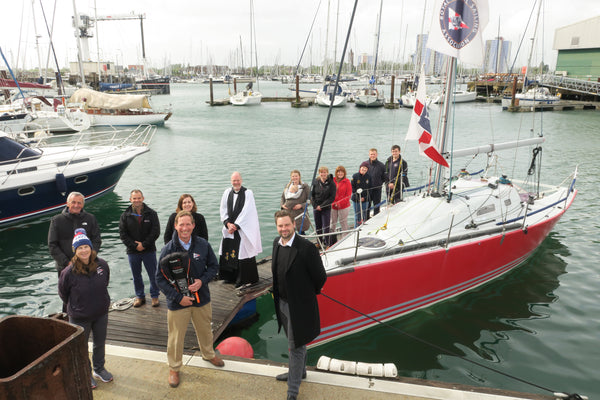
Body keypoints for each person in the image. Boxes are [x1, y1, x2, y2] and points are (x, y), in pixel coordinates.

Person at [156, 211, 224, 388]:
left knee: (205, 330)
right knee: (176, 337)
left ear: (193, 226)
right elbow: (160, 279)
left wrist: (203, 281)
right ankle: (174, 367)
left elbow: (214, 267)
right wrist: (178, 298)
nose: (185, 228)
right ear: (175, 226)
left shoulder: (203, 245)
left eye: (188, 224)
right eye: (181, 225)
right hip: (178, 303)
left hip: (202, 298)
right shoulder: (168, 249)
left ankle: (208, 354)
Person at [271, 210, 327, 400]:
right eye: (280, 226)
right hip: (283, 303)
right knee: (296, 341)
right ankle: (300, 372)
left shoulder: (306, 248)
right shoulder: (276, 244)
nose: (284, 229)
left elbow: (320, 277)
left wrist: (307, 294)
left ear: (293, 225)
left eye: (287, 225)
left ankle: (292, 391)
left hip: (299, 306)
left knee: (295, 347)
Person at [58, 228, 112, 390]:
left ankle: (99, 368)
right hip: (80, 316)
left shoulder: (102, 264)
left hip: (101, 313)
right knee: (81, 347)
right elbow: (63, 293)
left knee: (99, 343)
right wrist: (76, 306)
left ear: (91, 247)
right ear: (75, 251)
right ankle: (85, 372)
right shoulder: (68, 272)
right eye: (80, 248)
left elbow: (105, 282)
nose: (84, 250)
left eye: (86, 246)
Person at [219, 171, 262, 287]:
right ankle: (229, 276)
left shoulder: (248, 193)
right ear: (231, 181)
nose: (236, 182)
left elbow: (248, 212)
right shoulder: (227, 192)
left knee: (243, 252)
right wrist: (227, 223)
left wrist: (236, 225)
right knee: (228, 251)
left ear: (241, 180)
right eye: (234, 180)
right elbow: (223, 209)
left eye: (238, 180)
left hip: (243, 229)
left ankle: (244, 279)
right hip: (229, 228)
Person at [119, 189, 161, 308]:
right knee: (136, 275)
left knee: (153, 274)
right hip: (132, 251)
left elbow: (155, 232)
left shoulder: (152, 214)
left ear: (143, 198)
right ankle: (139, 297)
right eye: (134, 198)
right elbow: (123, 234)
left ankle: (154, 296)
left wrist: (144, 244)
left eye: (139, 198)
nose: (136, 200)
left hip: (149, 250)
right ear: (130, 199)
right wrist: (135, 245)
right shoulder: (125, 215)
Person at [48, 191, 101, 277]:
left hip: (87, 265)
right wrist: (67, 263)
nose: (76, 205)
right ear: (67, 203)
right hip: (64, 267)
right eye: (73, 202)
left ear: (83, 205)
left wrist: (89, 259)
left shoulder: (90, 219)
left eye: (79, 203)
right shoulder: (56, 220)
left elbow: (96, 240)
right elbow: (52, 245)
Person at [310, 166, 336, 247]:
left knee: (326, 227)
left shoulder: (331, 183)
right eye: (321, 172)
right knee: (318, 227)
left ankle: (327, 244)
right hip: (316, 208)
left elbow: (332, 197)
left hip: (326, 208)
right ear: (319, 173)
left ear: (327, 173)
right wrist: (315, 205)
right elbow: (311, 195)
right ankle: (319, 242)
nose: (323, 174)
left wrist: (322, 206)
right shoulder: (315, 182)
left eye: (324, 172)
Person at [280, 170, 311, 234]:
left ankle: (303, 243)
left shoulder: (305, 187)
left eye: (296, 176)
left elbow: (310, 200)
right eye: (293, 176)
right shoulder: (288, 186)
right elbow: (283, 197)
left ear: (299, 176)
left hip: (300, 213)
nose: (294, 178)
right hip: (288, 213)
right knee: (290, 231)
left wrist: (301, 205)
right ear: (291, 177)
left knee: (301, 231)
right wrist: (282, 205)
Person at [330, 165, 352, 241]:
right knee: (332, 222)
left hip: (344, 206)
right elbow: (329, 193)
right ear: (336, 173)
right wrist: (333, 203)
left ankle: (344, 238)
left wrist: (339, 203)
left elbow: (348, 196)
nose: (340, 173)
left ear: (344, 173)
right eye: (338, 172)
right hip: (333, 206)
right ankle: (332, 239)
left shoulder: (347, 182)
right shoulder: (332, 180)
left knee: (343, 222)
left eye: (341, 172)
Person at [366, 148, 386, 215]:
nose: (373, 156)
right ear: (369, 155)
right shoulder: (365, 165)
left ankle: (376, 219)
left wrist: (379, 183)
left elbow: (384, 177)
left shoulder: (381, 165)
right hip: (367, 190)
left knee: (376, 206)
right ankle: (366, 219)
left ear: (376, 155)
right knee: (367, 207)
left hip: (377, 189)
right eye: (371, 154)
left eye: (374, 154)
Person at [352, 161, 372, 226]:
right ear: (360, 167)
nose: (364, 169)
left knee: (364, 215)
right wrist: (358, 198)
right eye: (363, 167)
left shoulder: (369, 177)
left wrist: (365, 198)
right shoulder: (355, 176)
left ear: (367, 169)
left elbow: (370, 189)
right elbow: (352, 188)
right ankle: (356, 229)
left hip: (365, 200)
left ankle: (363, 229)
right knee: (357, 216)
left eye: (366, 168)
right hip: (356, 200)